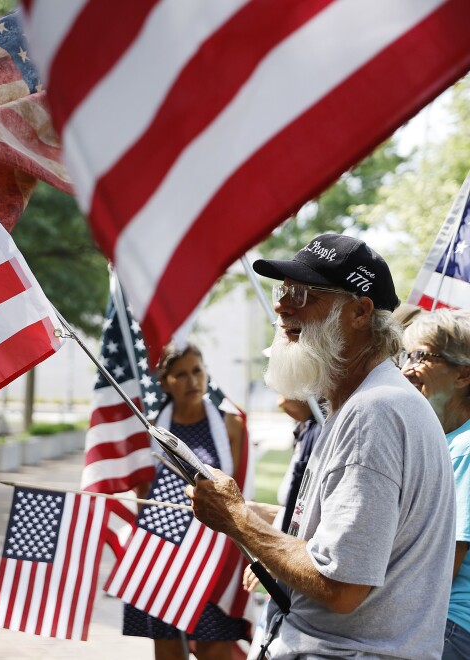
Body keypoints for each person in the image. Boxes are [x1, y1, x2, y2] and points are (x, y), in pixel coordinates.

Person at [186, 233, 455, 658]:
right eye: (282, 290)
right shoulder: (363, 404)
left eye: (303, 293)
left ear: (360, 312)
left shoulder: (374, 412)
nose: (281, 305)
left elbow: (341, 585)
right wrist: (268, 518)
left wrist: (237, 517)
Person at [123, 341, 249, 660]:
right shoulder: (151, 429)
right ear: (165, 382)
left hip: (215, 552)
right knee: (166, 648)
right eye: (180, 374)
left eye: (197, 370)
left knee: (215, 647)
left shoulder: (229, 424)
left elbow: (239, 490)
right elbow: (143, 496)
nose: (192, 381)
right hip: (162, 552)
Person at [402, 309, 470, 659]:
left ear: (463, 375)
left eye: (421, 356)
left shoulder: (465, 449)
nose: (405, 369)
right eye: (405, 355)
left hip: (449, 627)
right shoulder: (445, 443)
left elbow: (442, 564)